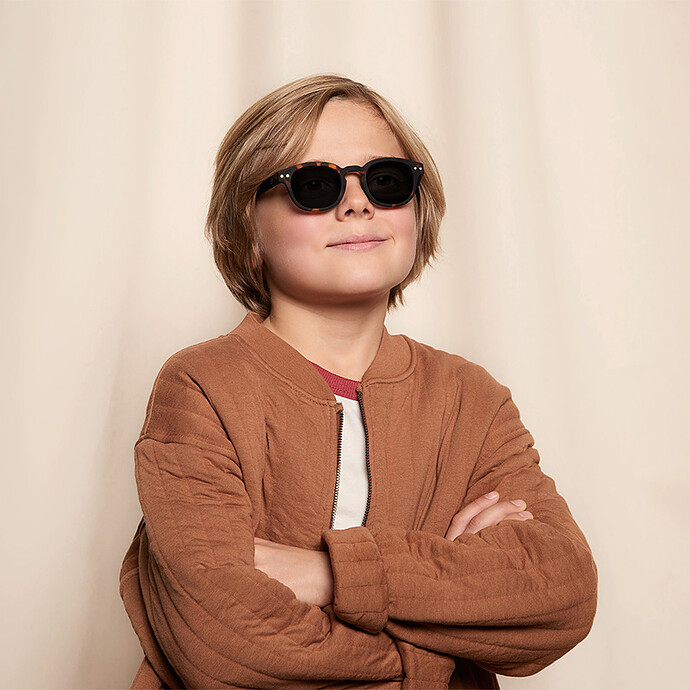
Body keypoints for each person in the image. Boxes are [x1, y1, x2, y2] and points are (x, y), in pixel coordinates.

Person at [119, 74, 597, 690]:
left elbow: (561, 595)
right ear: (248, 226)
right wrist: (444, 629)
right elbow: (222, 642)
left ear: (418, 209)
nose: (357, 205)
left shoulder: (471, 398)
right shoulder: (201, 387)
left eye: (386, 181)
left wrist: (328, 574)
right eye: (314, 185)